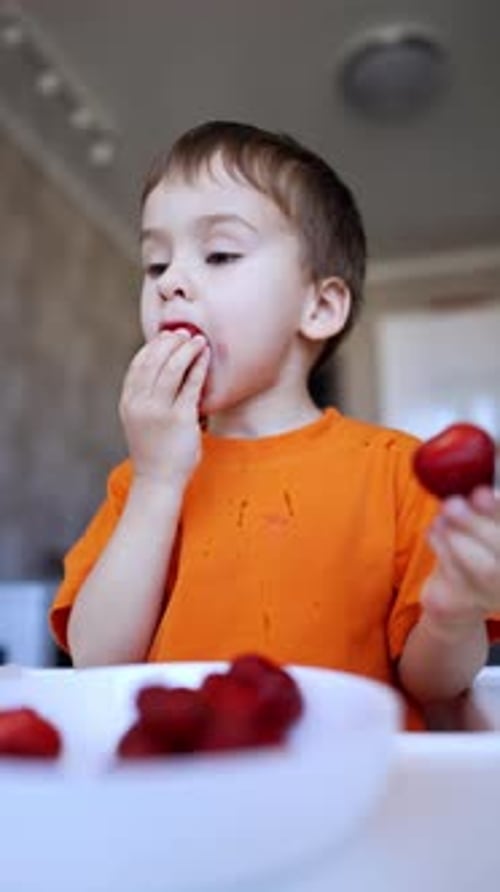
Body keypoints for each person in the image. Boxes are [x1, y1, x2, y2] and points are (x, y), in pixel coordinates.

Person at [49, 121, 500, 728]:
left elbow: (434, 684)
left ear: (318, 307)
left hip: (351, 790)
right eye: (156, 265)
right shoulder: (142, 480)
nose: (172, 283)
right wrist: (158, 480)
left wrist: (452, 611)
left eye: (220, 254)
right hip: (184, 789)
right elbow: (97, 661)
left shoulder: (397, 470)